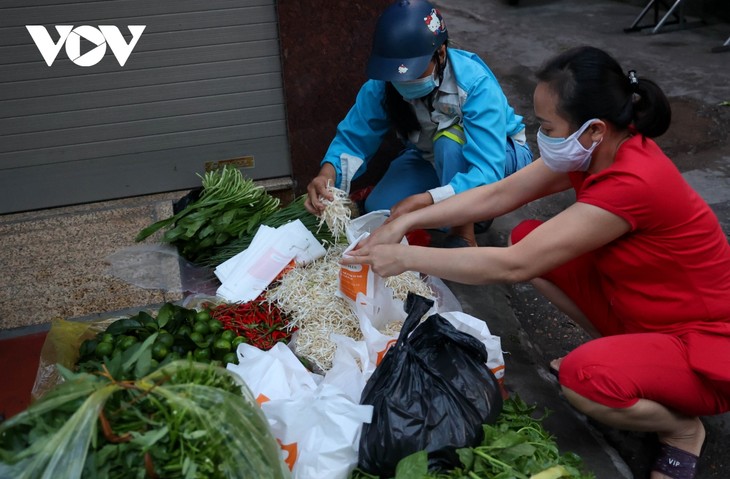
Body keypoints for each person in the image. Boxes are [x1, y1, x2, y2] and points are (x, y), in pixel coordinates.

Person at [341, 45, 730, 479]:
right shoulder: (598, 148)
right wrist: (409, 219)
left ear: (593, 129)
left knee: (584, 379)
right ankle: (630, 357)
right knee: (528, 233)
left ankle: (680, 429)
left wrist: (404, 255)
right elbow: (497, 194)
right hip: (650, 311)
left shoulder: (633, 180)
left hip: (705, 344)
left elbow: (514, 266)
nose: (539, 134)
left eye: (547, 125)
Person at [304, 0, 532, 248]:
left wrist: (427, 200)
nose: (405, 81)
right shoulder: (381, 85)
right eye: (398, 74)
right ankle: (458, 202)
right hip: (429, 156)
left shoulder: (474, 84)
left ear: (441, 53)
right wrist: (327, 174)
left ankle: (463, 230)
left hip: (501, 158)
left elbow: (487, 169)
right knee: (380, 207)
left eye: (414, 71)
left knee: (448, 139)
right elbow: (354, 137)